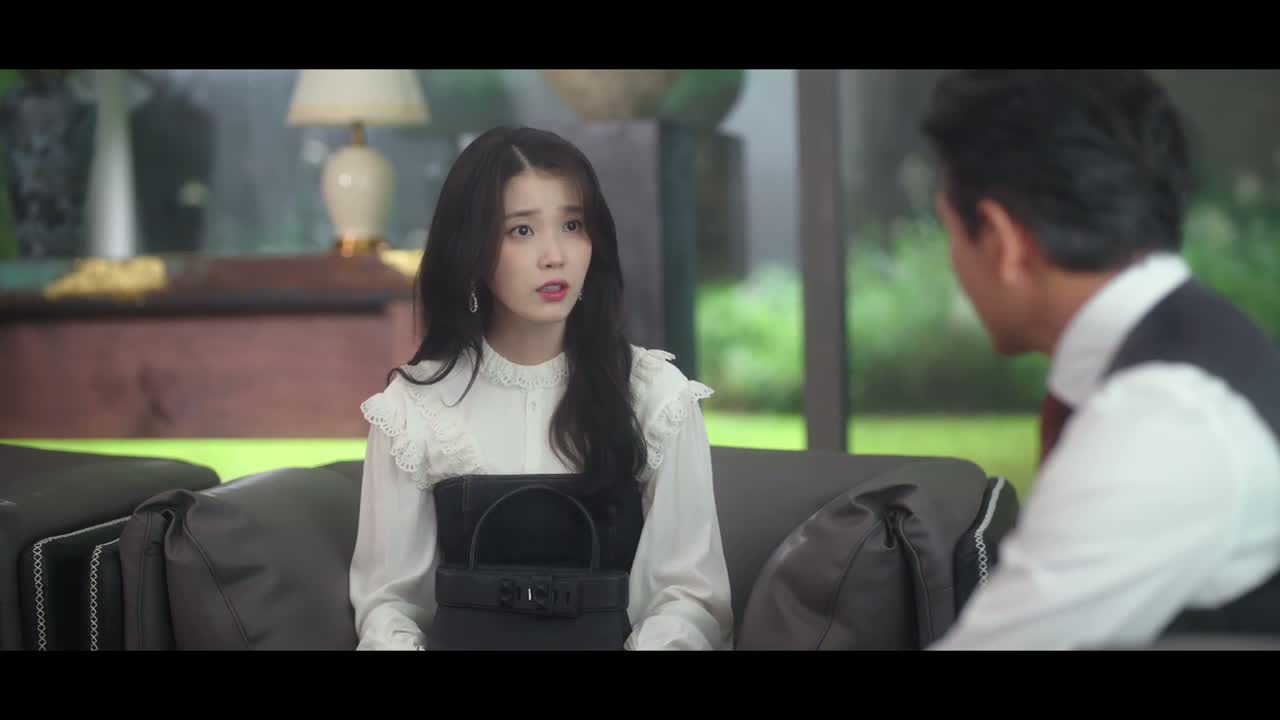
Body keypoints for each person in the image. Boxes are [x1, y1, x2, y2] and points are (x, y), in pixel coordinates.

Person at [919, 70, 1280, 650]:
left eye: (952, 233)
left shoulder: (1165, 418)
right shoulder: (1189, 357)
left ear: (1004, 241)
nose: (952, 262)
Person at [347, 126, 734, 651]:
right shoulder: (412, 410)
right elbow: (390, 606)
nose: (555, 255)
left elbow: (688, 599)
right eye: (522, 230)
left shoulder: (656, 398)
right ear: (472, 249)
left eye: (573, 225)